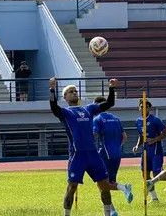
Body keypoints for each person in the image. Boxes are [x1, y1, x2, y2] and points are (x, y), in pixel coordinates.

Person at [48, 78, 133, 216]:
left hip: (93, 155)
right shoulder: (66, 113)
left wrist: (111, 88)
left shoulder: (89, 109)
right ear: (65, 97)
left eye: (75, 91)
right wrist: (52, 89)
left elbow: (109, 103)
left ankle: (108, 213)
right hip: (77, 155)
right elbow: (54, 107)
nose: (74, 93)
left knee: (104, 186)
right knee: (72, 187)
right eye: (71, 91)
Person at [93, 98, 131, 215]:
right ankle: (112, 211)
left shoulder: (97, 119)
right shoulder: (116, 119)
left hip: (105, 154)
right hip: (117, 154)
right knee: (109, 182)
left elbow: (93, 134)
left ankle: (124, 188)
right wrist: (116, 147)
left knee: (101, 183)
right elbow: (124, 137)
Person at [132, 99, 166, 202]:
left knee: (157, 173)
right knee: (145, 174)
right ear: (139, 108)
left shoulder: (155, 120)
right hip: (145, 150)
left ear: (149, 108)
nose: (143, 108)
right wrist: (137, 145)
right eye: (141, 106)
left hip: (156, 150)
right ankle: (154, 197)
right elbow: (141, 136)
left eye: (145, 107)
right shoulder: (138, 121)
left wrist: (154, 139)